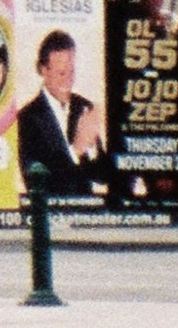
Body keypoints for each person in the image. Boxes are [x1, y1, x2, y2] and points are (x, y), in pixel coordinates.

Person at [15, 30, 111, 202]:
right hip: (51, 213)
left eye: (71, 71)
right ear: (43, 70)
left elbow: (102, 176)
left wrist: (93, 149)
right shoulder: (26, 119)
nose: (68, 80)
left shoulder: (83, 107)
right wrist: (77, 149)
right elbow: (37, 185)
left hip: (87, 212)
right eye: (61, 73)